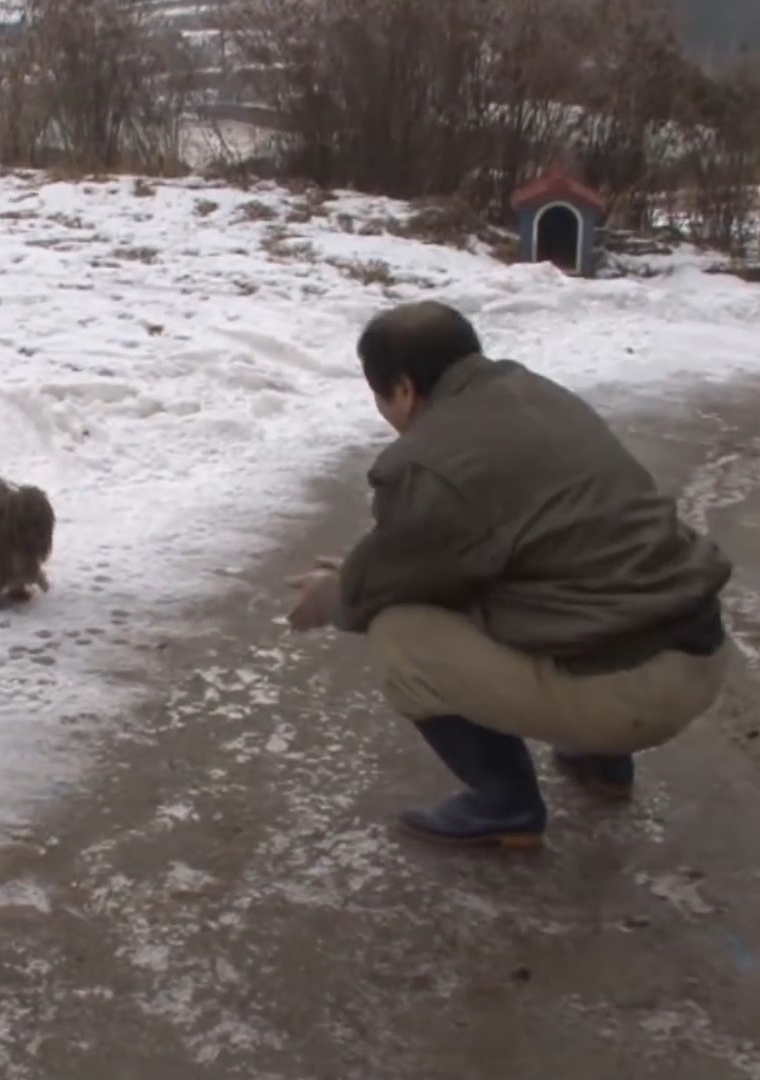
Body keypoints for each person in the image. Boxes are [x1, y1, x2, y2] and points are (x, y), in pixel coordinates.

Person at [285, 301, 734, 849]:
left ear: (402, 389)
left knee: (399, 636)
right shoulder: (538, 395)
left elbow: (396, 579)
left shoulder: (429, 460)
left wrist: (336, 593)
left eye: (380, 396)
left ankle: (506, 805)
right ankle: (602, 762)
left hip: (635, 692)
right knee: (557, 569)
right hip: (701, 648)